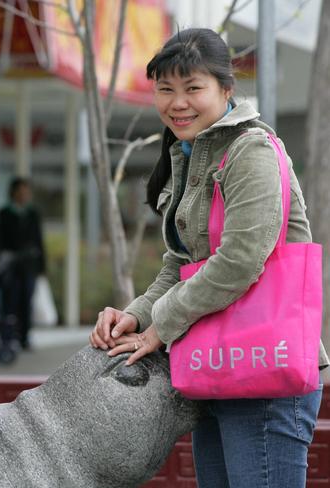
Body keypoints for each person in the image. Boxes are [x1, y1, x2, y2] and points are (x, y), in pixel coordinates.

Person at [89, 28, 328, 487]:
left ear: (226, 89)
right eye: (166, 90)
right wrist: (135, 317)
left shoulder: (250, 151)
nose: (178, 102)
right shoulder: (191, 154)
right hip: (220, 365)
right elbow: (181, 264)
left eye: (193, 88)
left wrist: (163, 324)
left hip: (268, 372)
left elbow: (240, 260)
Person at [0, 177, 46, 354]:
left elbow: (39, 241)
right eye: (21, 191)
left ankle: (24, 338)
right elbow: (1, 243)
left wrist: (42, 267)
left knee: (27, 301)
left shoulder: (33, 213)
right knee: (10, 301)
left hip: (29, 266)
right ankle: (8, 337)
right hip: (11, 266)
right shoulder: (4, 213)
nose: (24, 194)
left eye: (27, 191)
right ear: (13, 192)